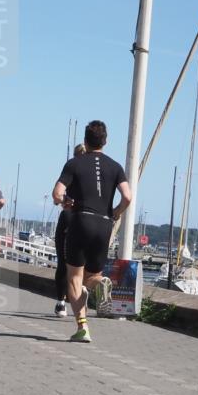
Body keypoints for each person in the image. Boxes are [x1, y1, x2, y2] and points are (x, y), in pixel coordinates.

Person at [52, 121, 132, 343]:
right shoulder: (115, 167)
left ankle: (82, 327)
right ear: (105, 141)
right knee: (92, 275)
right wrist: (116, 212)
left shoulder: (74, 163)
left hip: (80, 221)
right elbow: (127, 196)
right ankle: (100, 282)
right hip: (104, 224)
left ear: (85, 140)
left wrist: (66, 201)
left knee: (74, 278)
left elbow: (57, 193)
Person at [52, 145, 87, 316]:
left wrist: (65, 200)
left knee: (65, 264)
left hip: (72, 217)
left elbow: (56, 196)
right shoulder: (87, 170)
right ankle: (69, 301)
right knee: (76, 263)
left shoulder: (73, 167)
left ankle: (62, 302)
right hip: (82, 219)